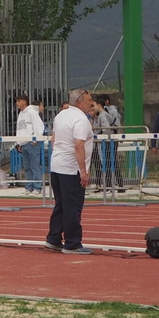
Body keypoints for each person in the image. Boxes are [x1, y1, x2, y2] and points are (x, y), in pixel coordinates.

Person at [46, 88, 94, 253]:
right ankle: (72, 243)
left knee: (61, 204)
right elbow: (78, 145)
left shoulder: (61, 115)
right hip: (71, 169)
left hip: (57, 166)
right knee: (73, 206)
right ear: (80, 102)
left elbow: (53, 140)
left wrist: (57, 157)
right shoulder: (81, 120)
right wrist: (83, 171)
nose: (92, 104)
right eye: (89, 101)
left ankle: (54, 238)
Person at [14, 94, 44, 193]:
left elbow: (38, 126)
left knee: (34, 166)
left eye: (19, 101)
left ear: (24, 102)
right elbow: (20, 129)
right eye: (16, 101)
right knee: (27, 167)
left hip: (32, 143)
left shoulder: (32, 112)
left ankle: (37, 187)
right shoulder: (21, 114)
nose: (17, 103)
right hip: (24, 143)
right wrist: (19, 143)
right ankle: (29, 186)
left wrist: (35, 138)